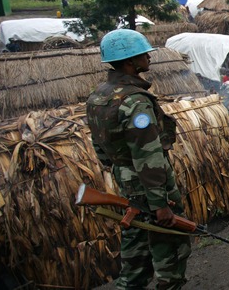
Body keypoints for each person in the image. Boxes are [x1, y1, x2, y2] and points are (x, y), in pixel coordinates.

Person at [85, 29, 190, 289]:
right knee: (170, 251)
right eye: (144, 54)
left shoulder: (99, 96)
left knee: (135, 254)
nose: (149, 58)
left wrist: (119, 169)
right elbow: (148, 155)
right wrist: (160, 203)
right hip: (150, 187)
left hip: (127, 181)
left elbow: (98, 142)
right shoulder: (134, 101)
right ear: (131, 62)